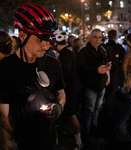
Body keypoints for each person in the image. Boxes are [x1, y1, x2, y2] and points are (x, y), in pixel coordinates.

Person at [0, 4, 66, 150]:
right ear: (22, 36)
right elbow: (3, 111)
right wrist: (5, 141)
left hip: (48, 142)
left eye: (48, 39)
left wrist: (59, 106)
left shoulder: (54, 64)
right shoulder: (5, 67)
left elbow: (61, 93)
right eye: (40, 39)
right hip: (19, 143)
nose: (46, 46)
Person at [77, 28, 111, 149]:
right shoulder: (84, 51)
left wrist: (108, 66)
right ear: (90, 38)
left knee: (96, 108)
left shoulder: (102, 50)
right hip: (90, 86)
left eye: (100, 38)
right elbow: (80, 69)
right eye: (95, 37)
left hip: (101, 85)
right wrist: (96, 70)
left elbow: (106, 61)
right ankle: (85, 135)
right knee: (88, 111)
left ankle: (94, 129)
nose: (97, 40)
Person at [54, 31, 83, 150]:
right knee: (70, 114)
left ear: (55, 43)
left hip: (71, 89)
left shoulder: (64, 55)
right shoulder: (68, 52)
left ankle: (79, 142)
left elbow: (65, 73)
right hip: (74, 87)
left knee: (72, 114)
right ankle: (74, 135)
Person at [103, 29, 125, 98]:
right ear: (116, 36)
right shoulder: (119, 47)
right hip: (116, 72)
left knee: (107, 93)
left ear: (108, 37)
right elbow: (123, 58)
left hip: (106, 71)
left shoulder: (104, 47)